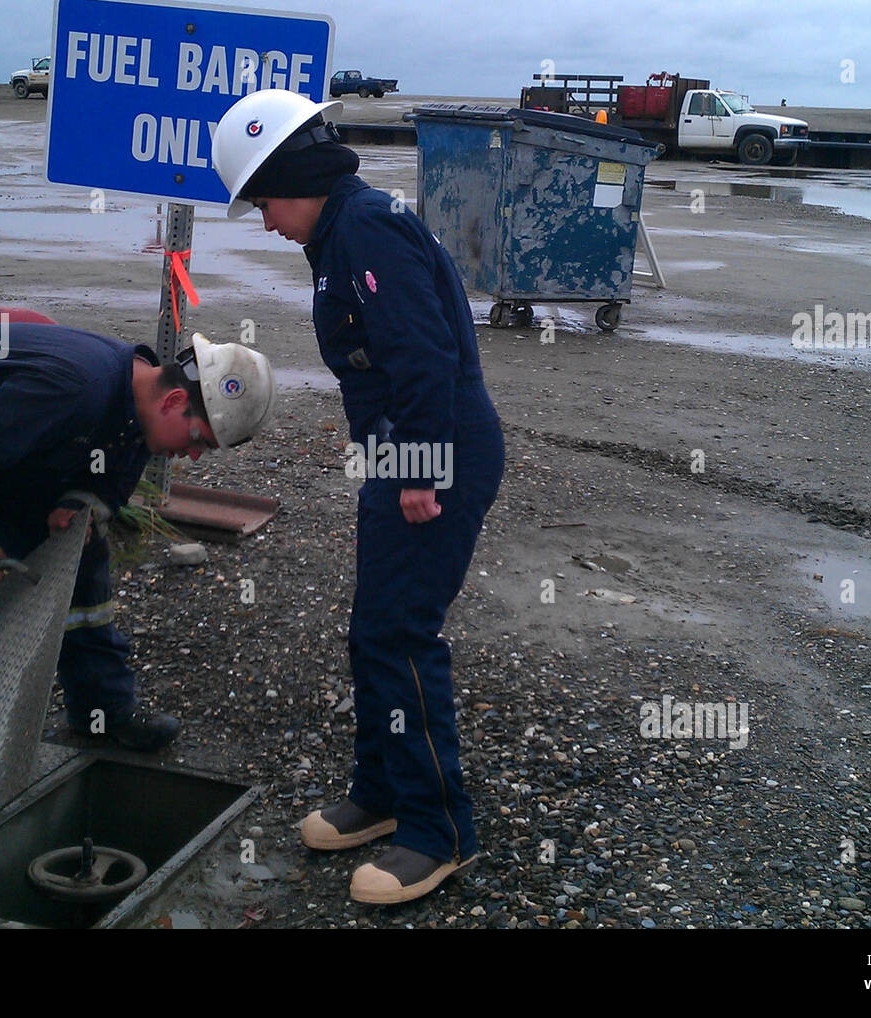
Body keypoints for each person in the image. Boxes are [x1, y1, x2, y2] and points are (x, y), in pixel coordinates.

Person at [214, 90, 505, 904]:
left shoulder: (367, 228)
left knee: (403, 635)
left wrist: (416, 470)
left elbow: (423, 357)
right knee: (372, 631)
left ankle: (438, 829)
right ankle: (379, 791)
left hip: (439, 449)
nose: (266, 222)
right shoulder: (339, 236)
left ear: (294, 173)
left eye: (264, 202)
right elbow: (370, 367)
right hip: (405, 450)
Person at [0, 323, 276, 816]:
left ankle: (102, 709)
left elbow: (110, 476)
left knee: (82, 551)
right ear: (175, 400)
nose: (193, 453)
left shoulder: (133, 404)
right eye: (199, 438)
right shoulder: (76, 389)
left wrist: (78, 503)